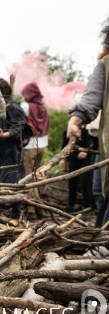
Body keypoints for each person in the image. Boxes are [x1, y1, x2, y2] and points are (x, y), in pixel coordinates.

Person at [67, 18, 109, 227]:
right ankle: (102, 245)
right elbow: (92, 97)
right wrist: (75, 120)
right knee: (101, 192)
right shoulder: (106, 65)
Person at [0, 79, 29, 219]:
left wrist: (5, 134)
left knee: (13, 178)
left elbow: (20, 126)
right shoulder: (2, 105)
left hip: (11, 149)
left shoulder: (12, 106)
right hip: (0, 148)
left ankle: (16, 211)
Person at [20, 82, 50, 203]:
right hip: (42, 146)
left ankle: (34, 208)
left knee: (29, 178)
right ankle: (38, 206)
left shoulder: (26, 106)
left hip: (30, 146)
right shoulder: (43, 108)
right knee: (35, 176)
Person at [60, 126, 96, 212]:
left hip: (87, 159)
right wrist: (63, 159)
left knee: (85, 184)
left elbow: (93, 143)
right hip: (73, 159)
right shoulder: (67, 132)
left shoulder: (88, 131)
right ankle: (70, 206)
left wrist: (87, 151)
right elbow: (64, 146)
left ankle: (87, 207)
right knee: (72, 184)